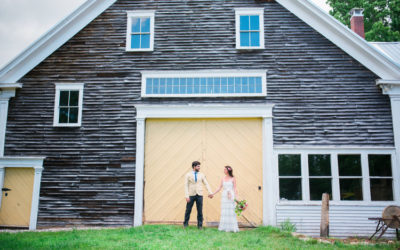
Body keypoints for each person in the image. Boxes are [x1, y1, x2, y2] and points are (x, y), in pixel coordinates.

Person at [183, 161, 213, 229]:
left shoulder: (201, 174)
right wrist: (187, 196)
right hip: (191, 194)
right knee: (188, 210)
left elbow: (206, 183)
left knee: (200, 210)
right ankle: (185, 224)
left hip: (199, 194)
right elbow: (186, 186)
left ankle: (200, 225)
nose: (199, 167)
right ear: (194, 167)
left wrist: (210, 192)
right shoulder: (188, 175)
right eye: (198, 166)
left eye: (199, 166)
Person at [211, 166, 239, 232]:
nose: (224, 170)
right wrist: (213, 193)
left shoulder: (233, 178)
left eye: (225, 169)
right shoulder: (223, 178)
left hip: (231, 196)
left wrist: (236, 197)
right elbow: (219, 187)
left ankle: (232, 227)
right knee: (225, 211)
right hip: (224, 196)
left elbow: (235, 188)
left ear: (228, 170)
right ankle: (224, 227)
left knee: (231, 210)